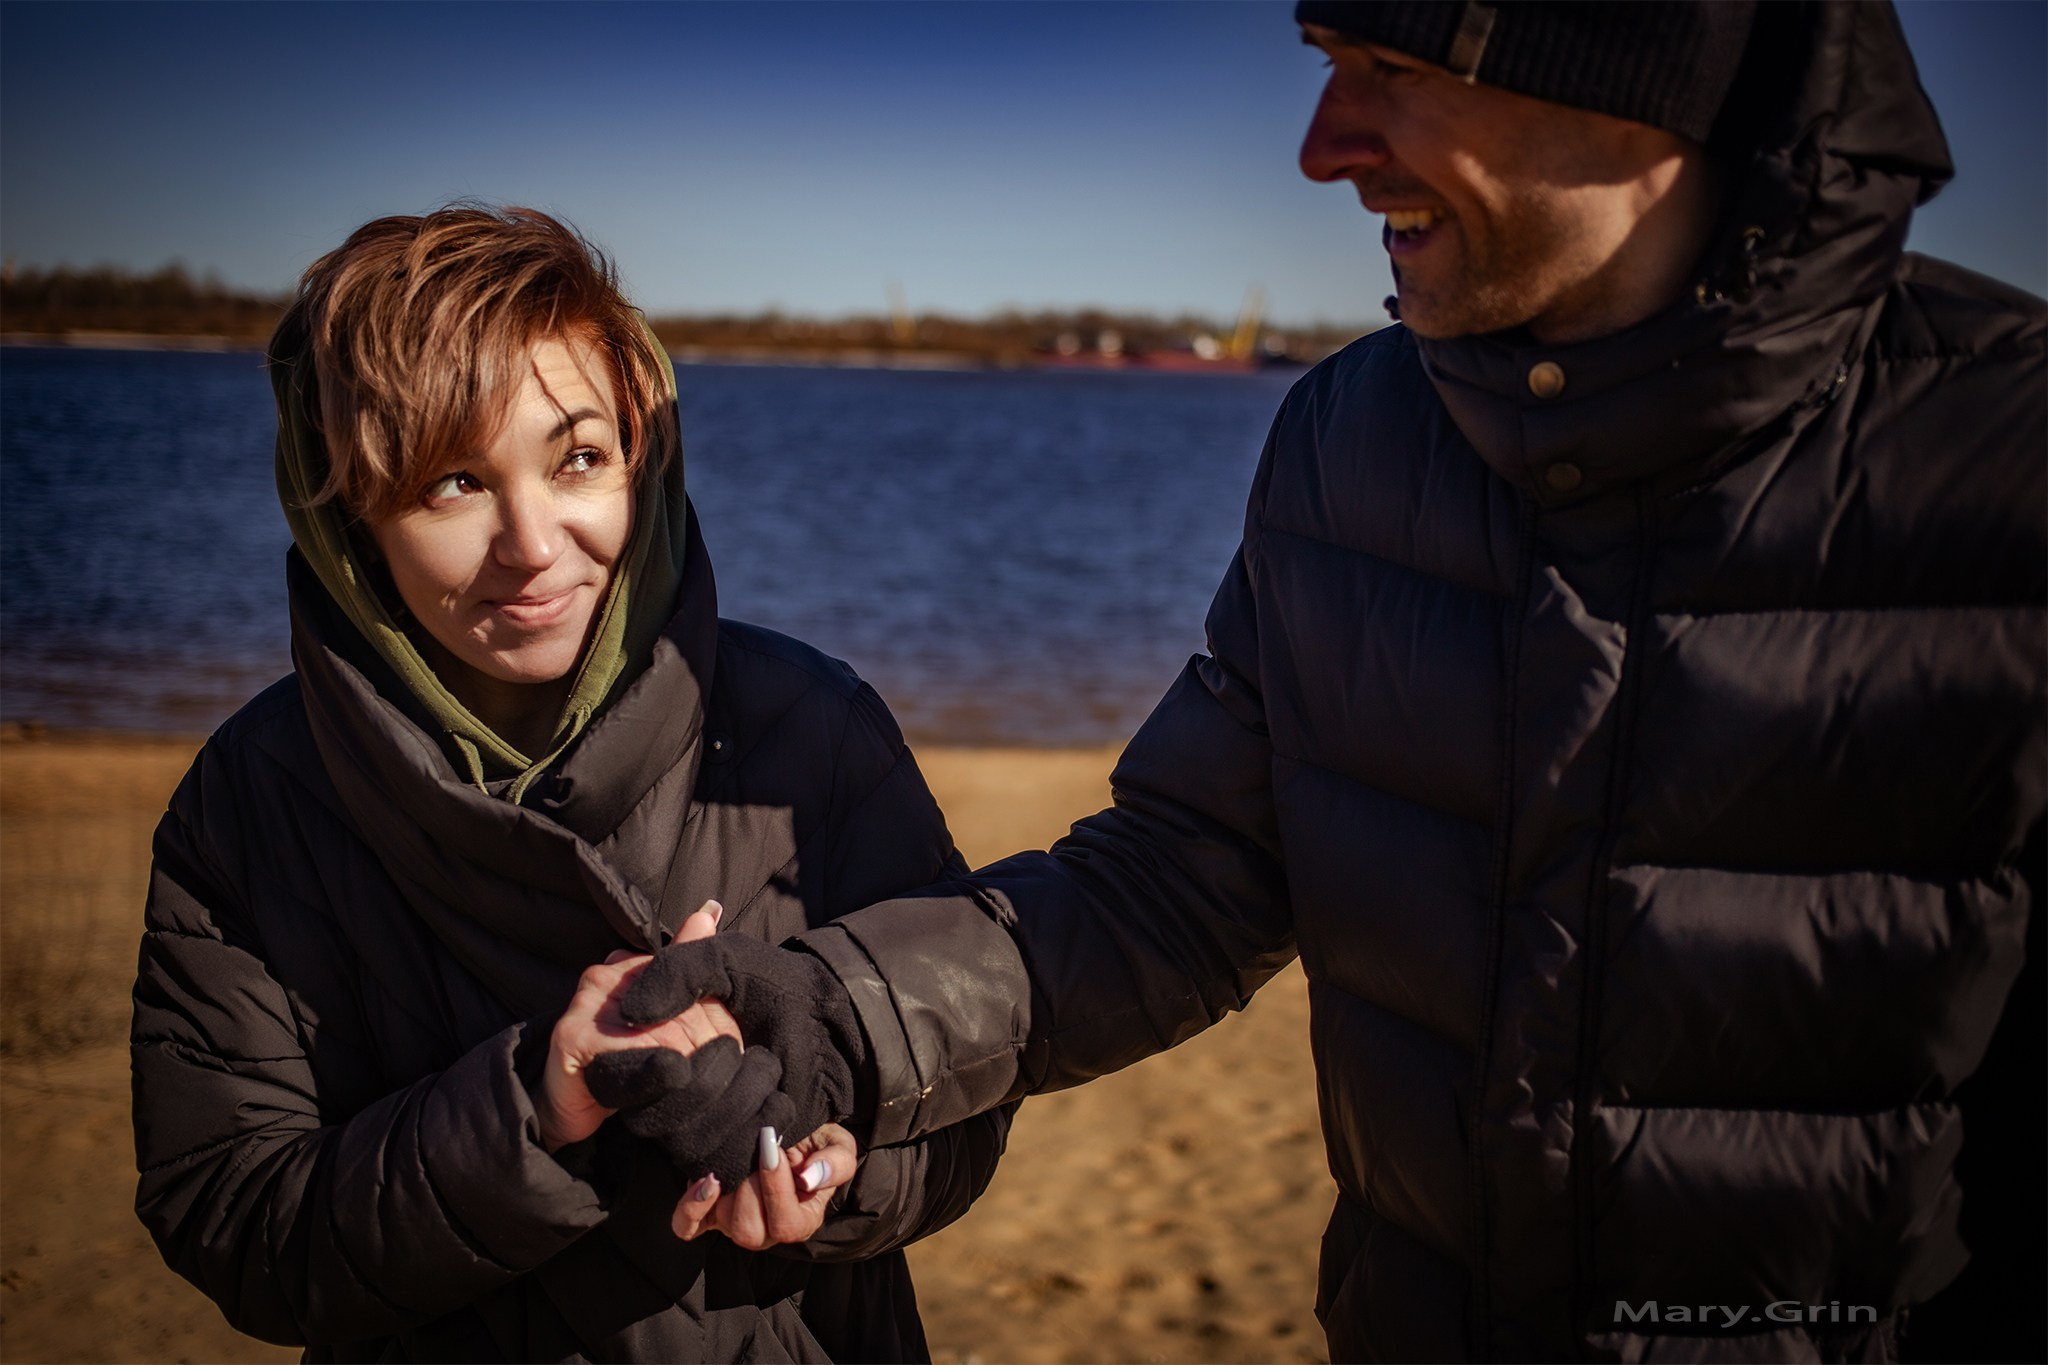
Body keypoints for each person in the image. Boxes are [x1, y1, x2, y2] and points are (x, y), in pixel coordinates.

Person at [617, 3, 2046, 1360]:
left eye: (1395, 67)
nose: (1322, 144)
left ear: (1639, 67)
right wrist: (833, 1024)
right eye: (1324, 57)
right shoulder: (1351, 438)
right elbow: (1183, 881)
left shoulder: (2005, 460)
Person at [130, 204, 1011, 1362]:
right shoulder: (252, 802)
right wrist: (536, 1109)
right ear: (347, 508)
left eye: (577, 458)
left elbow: (969, 1086)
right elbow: (233, 1216)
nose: (533, 543)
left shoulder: (815, 729)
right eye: (452, 482)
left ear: (641, 453)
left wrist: (844, 1176)